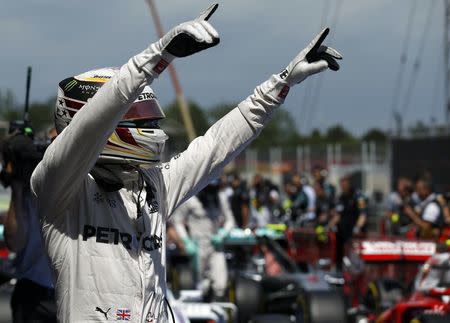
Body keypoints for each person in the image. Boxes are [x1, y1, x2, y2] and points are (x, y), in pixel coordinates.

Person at [30, 4, 342, 321]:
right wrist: (154, 59)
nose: (151, 128)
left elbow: (217, 145)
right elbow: (89, 129)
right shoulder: (58, 190)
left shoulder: (153, 186)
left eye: (150, 118)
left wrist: (282, 84)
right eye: (136, 117)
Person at [1, 127, 56, 323]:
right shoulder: (29, 188)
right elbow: (14, 243)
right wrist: (17, 186)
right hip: (33, 295)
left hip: (73, 295)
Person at [171, 181, 234, 300]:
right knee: (200, 285)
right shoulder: (191, 199)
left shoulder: (221, 198)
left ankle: (217, 308)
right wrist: (186, 241)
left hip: (216, 246)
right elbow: (177, 222)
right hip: (198, 247)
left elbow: (230, 220)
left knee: (220, 284)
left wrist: (223, 234)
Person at [333, 176, 368, 271]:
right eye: (342, 184)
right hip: (342, 232)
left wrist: (357, 227)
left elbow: (363, 214)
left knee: (355, 256)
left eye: (345, 183)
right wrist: (329, 226)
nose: (343, 186)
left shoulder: (359, 197)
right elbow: (337, 215)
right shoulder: (341, 197)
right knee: (340, 254)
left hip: (355, 233)